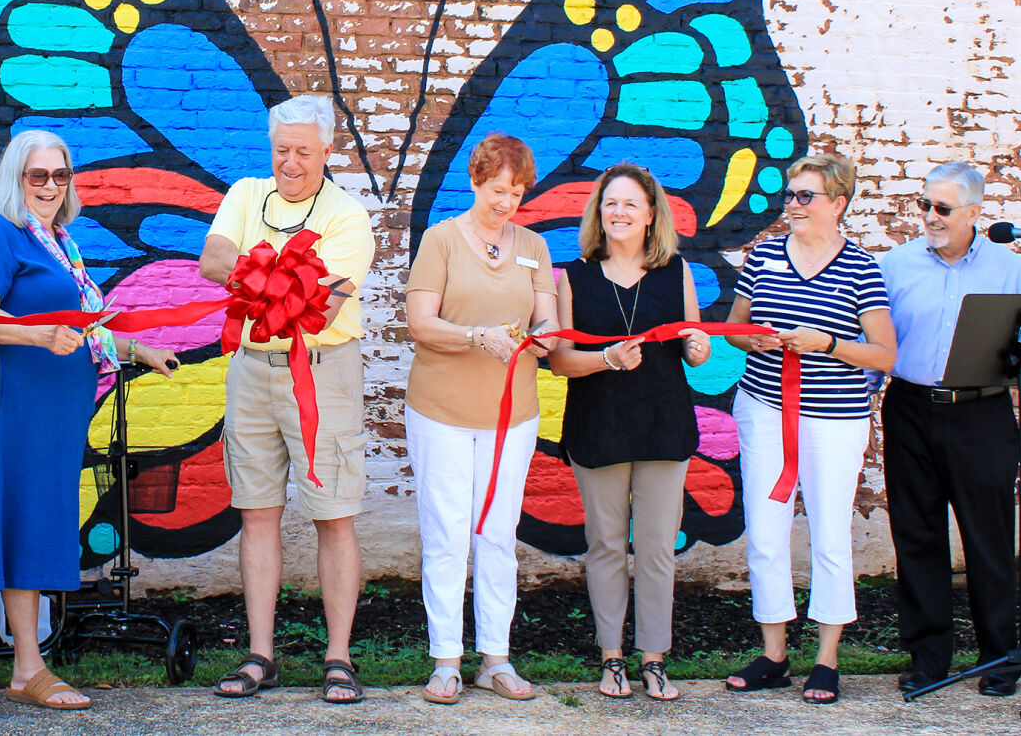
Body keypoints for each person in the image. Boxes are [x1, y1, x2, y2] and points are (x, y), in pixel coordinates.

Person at [0, 130, 178, 711]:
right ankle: (28, 667)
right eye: (37, 176)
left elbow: (84, 328)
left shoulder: (59, 242)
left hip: (52, 410)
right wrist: (40, 334)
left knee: (40, 517)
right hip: (11, 403)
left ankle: (29, 661)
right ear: (14, 180)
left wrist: (137, 351)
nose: (51, 186)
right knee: (21, 519)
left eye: (60, 176)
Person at [202, 95, 377, 705]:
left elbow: (319, 301)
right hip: (249, 371)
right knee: (256, 511)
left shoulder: (349, 216)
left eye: (304, 151)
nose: (292, 163)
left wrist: (257, 275)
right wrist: (274, 275)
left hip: (321, 373)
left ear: (328, 152)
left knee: (333, 514)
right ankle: (260, 655)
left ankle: (338, 658)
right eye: (282, 150)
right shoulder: (246, 193)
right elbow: (212, 258)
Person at [721, 152, 896, 705]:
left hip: (834, 419)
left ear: (837, 204)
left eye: (805, 196)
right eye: (790, 194)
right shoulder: (765, 254)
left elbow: (884, 353)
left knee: (828, 533)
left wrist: (825, 344)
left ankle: (826, 658)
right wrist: (758, 340)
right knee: (766, 530)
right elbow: (733, 328)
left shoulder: (861, 268)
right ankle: (774, 654)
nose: (791, 205)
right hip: (765, 408)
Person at [546, 165, 713, 701]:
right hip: (599, 426)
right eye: (609, 203)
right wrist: (608, 359)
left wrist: (698, 348)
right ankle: (612, 657)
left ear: (650, 216)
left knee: (659, 546)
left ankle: (655, 658)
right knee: (606, 545)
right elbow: (562, 362)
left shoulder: (676, 271)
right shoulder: (573, 276)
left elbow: (695, 341)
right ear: (599, 212)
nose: (618, 212)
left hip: (664, 423)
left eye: (630, 204)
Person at [402, 133, 557, 704]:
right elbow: (420, 322)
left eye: (516, 192)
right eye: (497, 189)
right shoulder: (441, 240)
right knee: (446, 536)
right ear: (475, 181)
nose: (506, 202)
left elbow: (549, 322)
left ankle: (496, 658)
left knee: (496, 536)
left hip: (511, 417)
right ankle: (445, 660)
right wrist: (476, 336)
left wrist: (542, 339)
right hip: (441, 412)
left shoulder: (534, 247)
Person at [882, 162, 1021, 697]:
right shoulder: (893, 265)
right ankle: (929, 659)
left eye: (942, 208)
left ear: (975, 213)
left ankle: (1000, 658)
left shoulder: (1010, 269)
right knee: (917, 535)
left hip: (982, 412)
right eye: (924, 205)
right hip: (909, 409)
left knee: (989, 539)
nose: (929, 216)